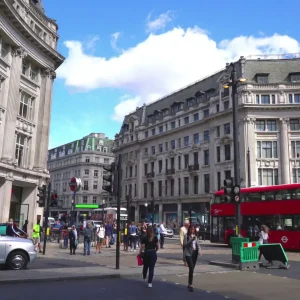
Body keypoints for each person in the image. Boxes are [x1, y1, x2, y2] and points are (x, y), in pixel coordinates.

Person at [183, 225, 202, 292]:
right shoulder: (186, 236)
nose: (192, 230)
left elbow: (198, 245)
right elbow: (185, 245)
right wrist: (191, 240)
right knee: (191, 268)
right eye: (191, 229)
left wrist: (199, 251)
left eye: (193, 229)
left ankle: (189, 283)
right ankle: (190, 284)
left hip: (195, 253)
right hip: (188, 254)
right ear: (189, 230)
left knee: (192, 269)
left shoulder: (195, 236)